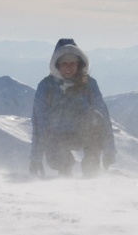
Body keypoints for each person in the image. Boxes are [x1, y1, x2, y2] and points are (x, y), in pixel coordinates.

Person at [29, 38, 116, 178]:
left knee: (95, 119)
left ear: (79, 64)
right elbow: (39, 123)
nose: (68, 67)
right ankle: (65, 172)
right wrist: (36, 159)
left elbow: (103, 117)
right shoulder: (46, 86)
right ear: (57, 65)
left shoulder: (88, 84)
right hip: (56, 137)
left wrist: (109, 151)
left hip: (83, 133)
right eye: (64, 63)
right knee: (60, 161)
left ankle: (91, 172)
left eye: (72, 63)